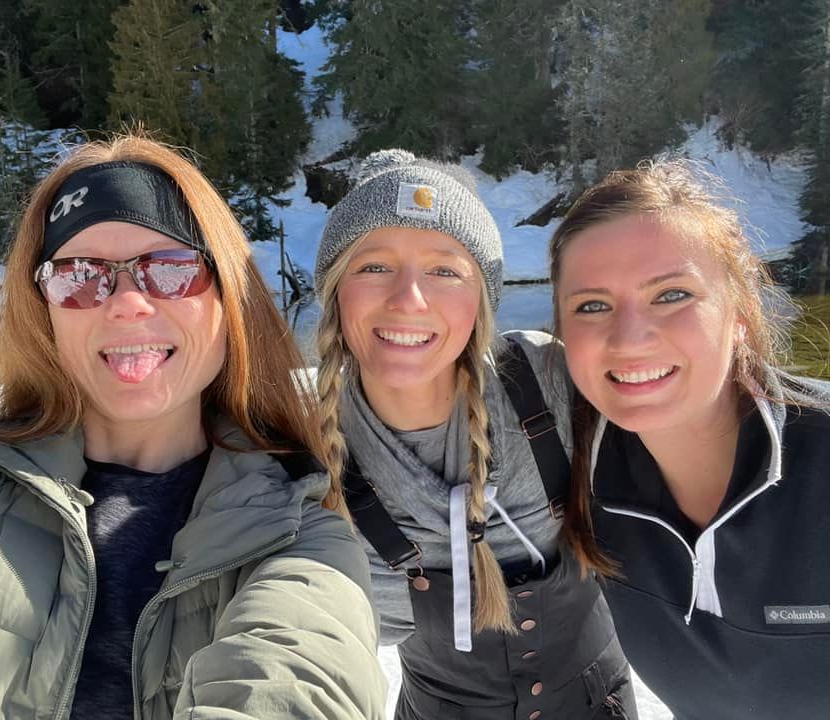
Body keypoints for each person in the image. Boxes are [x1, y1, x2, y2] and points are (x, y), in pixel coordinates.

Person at [0, 134, 386, 720]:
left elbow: (295, 684)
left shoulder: (299, 536)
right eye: (79, 275)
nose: (126, 303)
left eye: (170, 269)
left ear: (229, 298)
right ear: (45, 310)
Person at [314, 149, 635, 720]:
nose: (408, 299)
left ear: (481, 298)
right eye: (373, 266)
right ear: (335, 291)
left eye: (444, 270)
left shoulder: (551, 382)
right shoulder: (306, 449)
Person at [550, 159, 830, 720]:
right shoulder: (572, 469)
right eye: (592, 305)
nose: (628, 338)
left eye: (672, 294)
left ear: (740, 313)